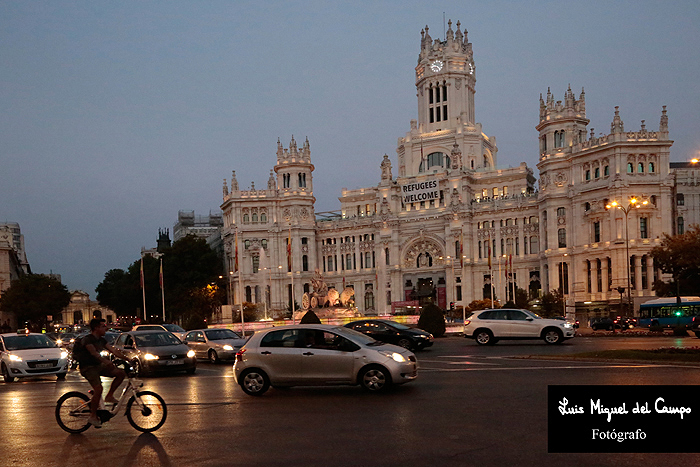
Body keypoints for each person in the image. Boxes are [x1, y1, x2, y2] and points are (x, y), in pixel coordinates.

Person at [74, 318, 129, 428]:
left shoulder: (101, 340)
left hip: (98, 366)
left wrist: (127, 359)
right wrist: (106, 361)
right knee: (98, 389)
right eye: (103, 326)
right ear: (96, 328)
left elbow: (113, 350)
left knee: (120, 373)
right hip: (88, 367)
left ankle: (109, 396)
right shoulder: (87, 339)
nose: (106, 328)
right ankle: (93, 416)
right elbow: (94, 353)